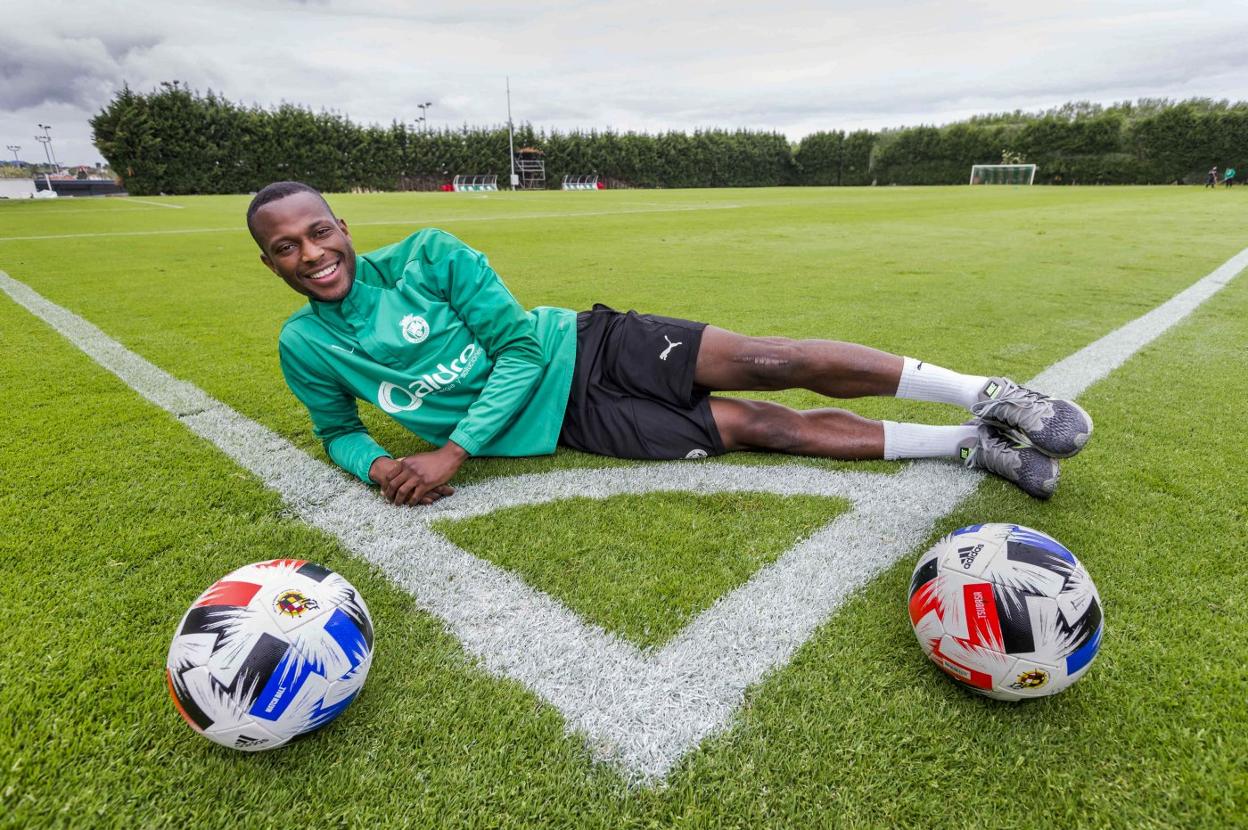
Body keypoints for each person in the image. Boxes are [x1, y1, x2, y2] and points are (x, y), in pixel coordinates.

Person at [248, 181, 1093, 507]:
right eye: (287, 248)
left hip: (587, 348)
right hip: (575, 428)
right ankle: (969, 447)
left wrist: (450, 453)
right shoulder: (306, 346)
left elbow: (515, 350)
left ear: (343, 226)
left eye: (318, 232)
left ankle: (988, 394)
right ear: (271, 262)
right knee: (763, 427)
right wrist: (376, 467)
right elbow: (338, 431)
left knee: (775, 358)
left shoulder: (431, 255)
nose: (312, 255)